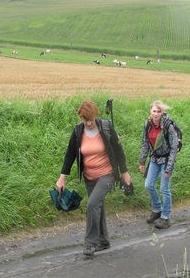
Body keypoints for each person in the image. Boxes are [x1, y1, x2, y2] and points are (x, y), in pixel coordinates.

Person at [57, 100, 132, 258]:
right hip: (89, 176)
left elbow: (119, 151)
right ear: (81, 118)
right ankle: (103, 240)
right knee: (97, 207)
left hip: (107, 174)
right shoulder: (78, 131)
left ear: (95, 116)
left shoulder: (105, 127)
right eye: (86, 120)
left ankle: (90, 243)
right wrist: (62, 178)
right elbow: (70, 155)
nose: (89, 123)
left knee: (92, 204)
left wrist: (124, 173)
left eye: (91, 120)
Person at [139, 100, 179, 229]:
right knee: (148, 185)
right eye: (154, 111)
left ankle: (165, 217)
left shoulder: (168, 126)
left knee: (164, 189)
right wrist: (142, 161)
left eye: (158, 112)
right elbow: (145, 143)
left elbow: (174, 147)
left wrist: (169, 167)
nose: (156, 114)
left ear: (162, 113)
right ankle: (157, 209)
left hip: (167, 159)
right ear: (150, 111)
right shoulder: (148, 124)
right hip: (155, 159)